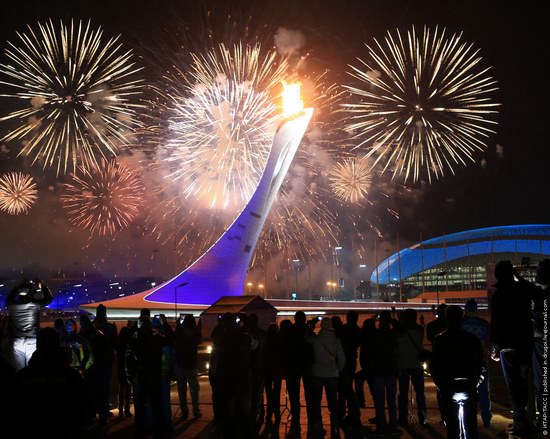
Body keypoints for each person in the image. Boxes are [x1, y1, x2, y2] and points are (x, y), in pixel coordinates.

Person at [7, 327, 88, 438]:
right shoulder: (72, 376)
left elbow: (11, 412)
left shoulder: (21, 377)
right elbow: (84, 410)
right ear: (58, 344)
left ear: (38, 345)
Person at [490, 260, 535, 438]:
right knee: (524, 383)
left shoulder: (499, 295)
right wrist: (519, 278)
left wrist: (493, 346)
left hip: (507, 345)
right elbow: (537, 292)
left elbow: (495, 323)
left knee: (513, 386)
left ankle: (520, 423)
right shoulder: (522, 291)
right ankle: (523, 420)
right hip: (525, 342)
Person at [431, 305, 483, 439]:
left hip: (449, 386)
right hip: (468, 385)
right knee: (471, 426)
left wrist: (440, 384)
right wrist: (476, 381)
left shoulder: (440, 340)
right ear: (462, 318)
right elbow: (480, 363)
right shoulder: (473, 340)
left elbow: (435, 366)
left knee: (453, 428)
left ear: (446, 319)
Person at [126, 315, 174, 439]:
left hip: (139, 378)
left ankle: (140, 432)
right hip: (154, 376)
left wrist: (130, 377)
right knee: (157, 406)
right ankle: (159, 432)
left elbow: (129, 359)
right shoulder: (157, 339)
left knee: (140, 408)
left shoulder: (134, 340)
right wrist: (165, 324)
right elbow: (172, 338)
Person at [215, 312, 254, 439]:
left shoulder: (220, 339)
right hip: (243, 377)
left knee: (229, 409)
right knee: (244, 409)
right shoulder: (245, 337)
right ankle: (246, 433)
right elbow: (254, 345)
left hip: (227, 378)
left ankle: (230, 433)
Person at [306, 317, 346, 438]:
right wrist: (337, 369)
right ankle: (334, 425)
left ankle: (318, 425)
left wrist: (311, 325)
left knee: (317, 400)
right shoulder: (336, 340)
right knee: (333, 400)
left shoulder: (316, 339)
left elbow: (306, 337)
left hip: (317, 373)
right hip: (332, 374)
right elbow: (342, 358)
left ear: (322, 325)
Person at [6, 279, 53, 370]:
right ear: (30, 293)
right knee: (31, 368)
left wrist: (17, 287)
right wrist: (41, 286)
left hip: (17, 340)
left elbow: (9, 298)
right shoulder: (36, 305)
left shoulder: (11, 305)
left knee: (19, 369)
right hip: (32, 339)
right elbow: (49, 298)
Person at [282, 310, 314, 432]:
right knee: (309, 393)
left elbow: (285, 348)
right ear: (304, 319)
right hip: (307, 366)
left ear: (295, 319)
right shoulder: (308, 330)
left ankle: (296, 417)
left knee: (294, 394)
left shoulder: (289, 331)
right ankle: (311, 418)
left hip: (292, 366)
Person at [370, 310, 401, 436]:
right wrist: (393, 320)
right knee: (391, 401)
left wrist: (373, 320)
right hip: (391, 370)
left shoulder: (375, 334)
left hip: (378, 370)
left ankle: (381, 427)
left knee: (379, 401)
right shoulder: (394, 334)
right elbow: (401, 330)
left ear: (379, 320)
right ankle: (393, 426)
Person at [462, 299, 492, 427]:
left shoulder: (461, 324)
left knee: (467, 390)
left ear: (466, 310)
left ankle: (469, 417)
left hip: (465, 362)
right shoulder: (484, 324)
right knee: (484, 390)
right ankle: (486, 417)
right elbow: (488, 342)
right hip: (481, 361)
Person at [396, 308, 428, 426]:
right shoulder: (419, 330)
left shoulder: (400, 331)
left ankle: (403, 417)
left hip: (403, 364)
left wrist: (400, 321)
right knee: (420, 393)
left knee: (403, 393)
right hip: (416, 365)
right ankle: (423, 416)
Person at [531, 259, 550, 434]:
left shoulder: (541, 299)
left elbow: (539, 328)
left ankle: (544, 424)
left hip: (541, 348)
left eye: (540, 272)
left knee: (542, 386)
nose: (537, 275)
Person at [93, 304, 118, 423]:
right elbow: (114, 342)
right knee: (105, 385)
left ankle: (97, 409)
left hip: (95, 360)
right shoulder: (109, 327)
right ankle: (103, 410)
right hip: (106, 359)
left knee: (97, 385)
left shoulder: (92, 326)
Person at [336, 310, 362, 427]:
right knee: (347, 386)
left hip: (342, 361)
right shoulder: (357, 331)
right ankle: (352, 412)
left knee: (342, 387)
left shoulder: (343, 329)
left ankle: (344, 411)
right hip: (351, 361)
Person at [175, 314, 202, 420]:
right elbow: (200, 341)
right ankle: (196, 410)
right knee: (194, 388)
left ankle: (184, 411)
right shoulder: (196, 332)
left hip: (181, 363)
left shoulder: (180, 330)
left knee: (181, 389)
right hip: (192, 364)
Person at [264, 323, 283, 424]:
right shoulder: (279, 339)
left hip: (267, 369)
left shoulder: (266, 339)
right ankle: (277, 413)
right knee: (277, 392)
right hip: (277, 369)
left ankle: (268, 414)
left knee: (268, 392)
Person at [116, 326, 133, 417]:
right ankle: (127, 409)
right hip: (128, 368)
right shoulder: (129, 344)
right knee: (128, 389)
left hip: (120, 368)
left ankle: (120, 410)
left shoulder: (119, 344)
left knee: (121, 389)